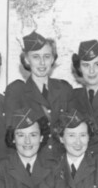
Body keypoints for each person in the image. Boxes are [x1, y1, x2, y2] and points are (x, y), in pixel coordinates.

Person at [5, 31, 73, 160]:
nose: (42, 62)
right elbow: (11, 138)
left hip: (61, 163)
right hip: (33, 164)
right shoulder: (17, 92)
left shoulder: (64, 89)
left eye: (47, 56)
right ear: (26, 59)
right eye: (36, 57)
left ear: (53, 59)